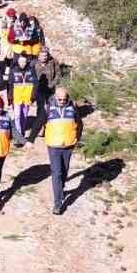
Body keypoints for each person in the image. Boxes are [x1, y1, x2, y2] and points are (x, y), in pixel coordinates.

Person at [44, 87, 80, 215]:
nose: (62, 102)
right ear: (54, 97)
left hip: (68, 144)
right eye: (60, 99)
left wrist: (77, 138)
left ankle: (61, 188)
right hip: (53, 145)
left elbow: (79, 123)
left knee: (64, 170)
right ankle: (58, 203)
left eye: (65, 99)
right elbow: (39, 121)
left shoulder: (72, 107)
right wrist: (30, 140)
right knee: (57, 173)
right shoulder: (48, 107)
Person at [8, 52, 40, 146]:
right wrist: (10, 98)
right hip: (16, 97)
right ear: (18, 61)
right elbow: (10, 85)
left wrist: (33, 96)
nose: (22, 63)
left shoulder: (31, 70)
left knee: (24, 116)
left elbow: (35, 84)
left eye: (24, 62)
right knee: (17, 116)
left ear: (27, 62)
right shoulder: (13, 70)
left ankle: (21, 132)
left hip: (27, 98)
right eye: (21, 61)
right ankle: (19, 137)